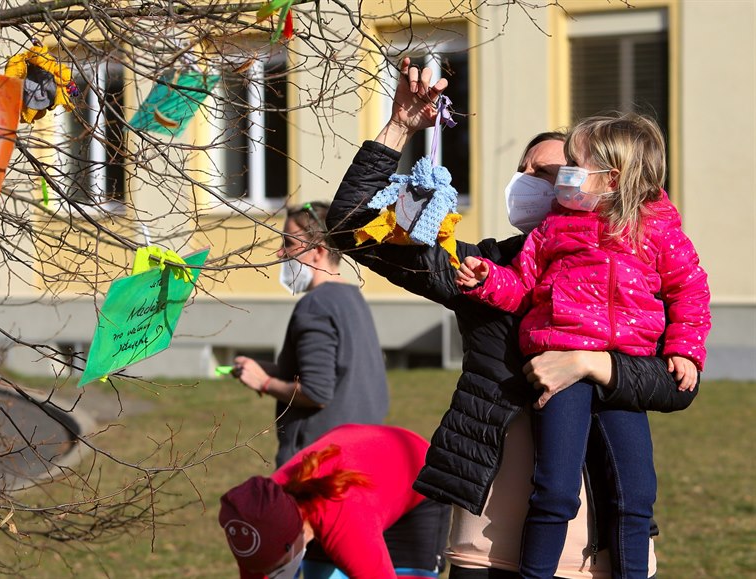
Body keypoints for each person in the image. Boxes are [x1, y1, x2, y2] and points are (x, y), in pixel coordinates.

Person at [326, 59, 698, 579]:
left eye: (545, 173)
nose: (526, 182)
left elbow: (675, 384)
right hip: (486, 531)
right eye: (522, 170)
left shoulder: (638, 266)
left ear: (605, 183)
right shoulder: (488, 267)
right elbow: (348, 229)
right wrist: (399, 129)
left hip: (596, 539)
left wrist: (589, 366)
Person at [454, 112, 710, 578]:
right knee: (554, 488)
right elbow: (522, 288)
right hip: (557, 365)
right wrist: (487, 280)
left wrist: (685, 349)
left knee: (637, 493)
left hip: (622, 374)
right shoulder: (553, 229)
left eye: (574, 163)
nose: (562, 176)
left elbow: (689, 292)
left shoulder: (658, 231)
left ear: (612, 178)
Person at [230, 201, 389, 468]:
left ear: (317, 251)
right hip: (358, 456)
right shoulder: (352, 297)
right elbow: (335, 373)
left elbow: (316, 392)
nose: (280, 253)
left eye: (289, 244)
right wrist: (264, 370)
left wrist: (264, 383)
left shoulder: (316, 306)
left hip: (317, 466)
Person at [219, 424, 451, 579]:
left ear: (295, 539)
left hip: (415, 476)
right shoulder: (253, 518)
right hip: (355, 479)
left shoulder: (345, 519)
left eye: (277, 568)